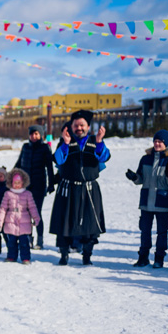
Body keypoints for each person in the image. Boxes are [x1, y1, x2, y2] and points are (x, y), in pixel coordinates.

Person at [49, 110, 110, 266]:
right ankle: (64, 255)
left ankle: (87, 256)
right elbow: (58, 160)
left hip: (89, 189)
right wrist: (65, 144)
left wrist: (99, 142)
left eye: (82, 125)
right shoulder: (65, 142)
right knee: (65, 223)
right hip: (67, 189)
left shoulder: (94, 141)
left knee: (89, 224)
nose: (79, 128)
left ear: (88, 127)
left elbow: (104, 157)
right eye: (76, 125)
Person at [125, 130, 168, 268]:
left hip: (162, 201)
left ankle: (159, 258)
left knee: (162, 231)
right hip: (146, 202)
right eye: (155, 141)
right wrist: (134, 177)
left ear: (166, 144)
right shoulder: (145, 159)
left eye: (160, 141)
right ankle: (143, 257)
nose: (156, 143)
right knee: (145, 230)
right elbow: (140, 179)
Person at [14, 125, 55, 250]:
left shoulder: (44, 148)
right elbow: (19, 164)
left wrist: (51, 183)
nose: (34, 136)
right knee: (25, 214)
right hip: (26, 186)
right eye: (32, 134)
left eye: (36, 134)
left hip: (39, 185)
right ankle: (28, 239)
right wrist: (12, 178)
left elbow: (49, 167)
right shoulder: (25, 147)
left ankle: (40, 240)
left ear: (41, 135)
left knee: (36, 213)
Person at [0, 168, 41, 264]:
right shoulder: (8, 194)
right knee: (11, 242)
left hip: (24, 223)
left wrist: (36, 218)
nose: (17, 185)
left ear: (23, 183)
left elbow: (32, 207)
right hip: (10, 222)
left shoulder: (27, 194)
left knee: (24, 243)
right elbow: (3, 208)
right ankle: (11, 257)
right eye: (15, 183)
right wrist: (0, 221)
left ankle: (25, 258)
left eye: (19, 182)